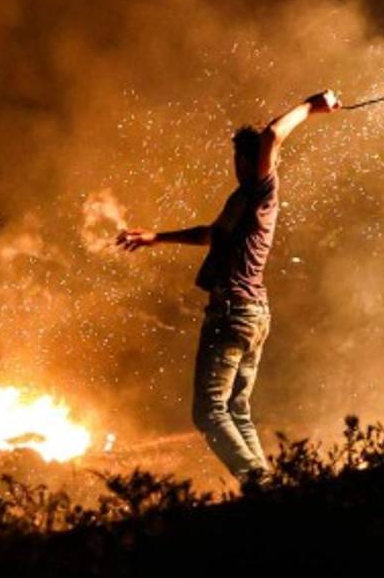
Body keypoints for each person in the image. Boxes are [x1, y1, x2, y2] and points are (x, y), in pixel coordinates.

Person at [117, 90, 341, 486]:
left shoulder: (263, 188)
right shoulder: (243, 199)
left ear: (249, 161)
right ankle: (269, 489)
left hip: (234, 313)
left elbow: (272, 136)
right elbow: (211, 234)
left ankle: (259, 486)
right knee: (236, 410)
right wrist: (156, 237)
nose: (236, 166)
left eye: (241, 159)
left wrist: (312, 105)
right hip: (249, 313)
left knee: (208, 412)